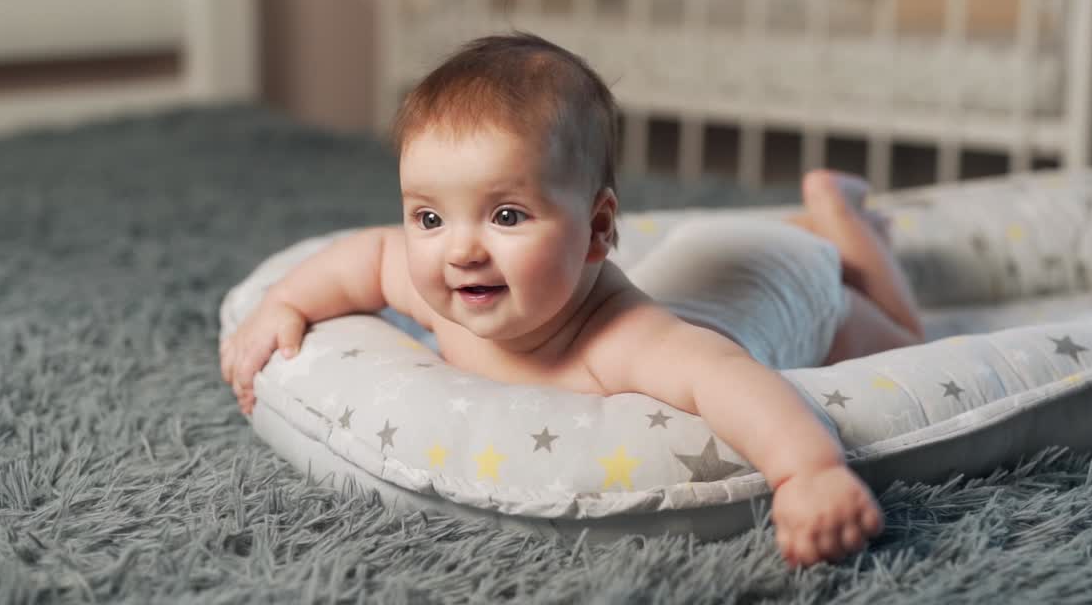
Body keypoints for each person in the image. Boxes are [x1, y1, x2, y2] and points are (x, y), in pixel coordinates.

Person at [220, 32, 923, 567]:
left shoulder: (627, 339)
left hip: (785, 283)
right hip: (719, 253)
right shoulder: (448, 284)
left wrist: (808, 471)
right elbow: (368, 257)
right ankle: (821, 220)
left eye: (506, 216)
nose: (460, 250)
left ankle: (842, 228)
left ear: (596, 230)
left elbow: (733, 382)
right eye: (429, 218)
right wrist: (287, 302)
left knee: (902, 331)